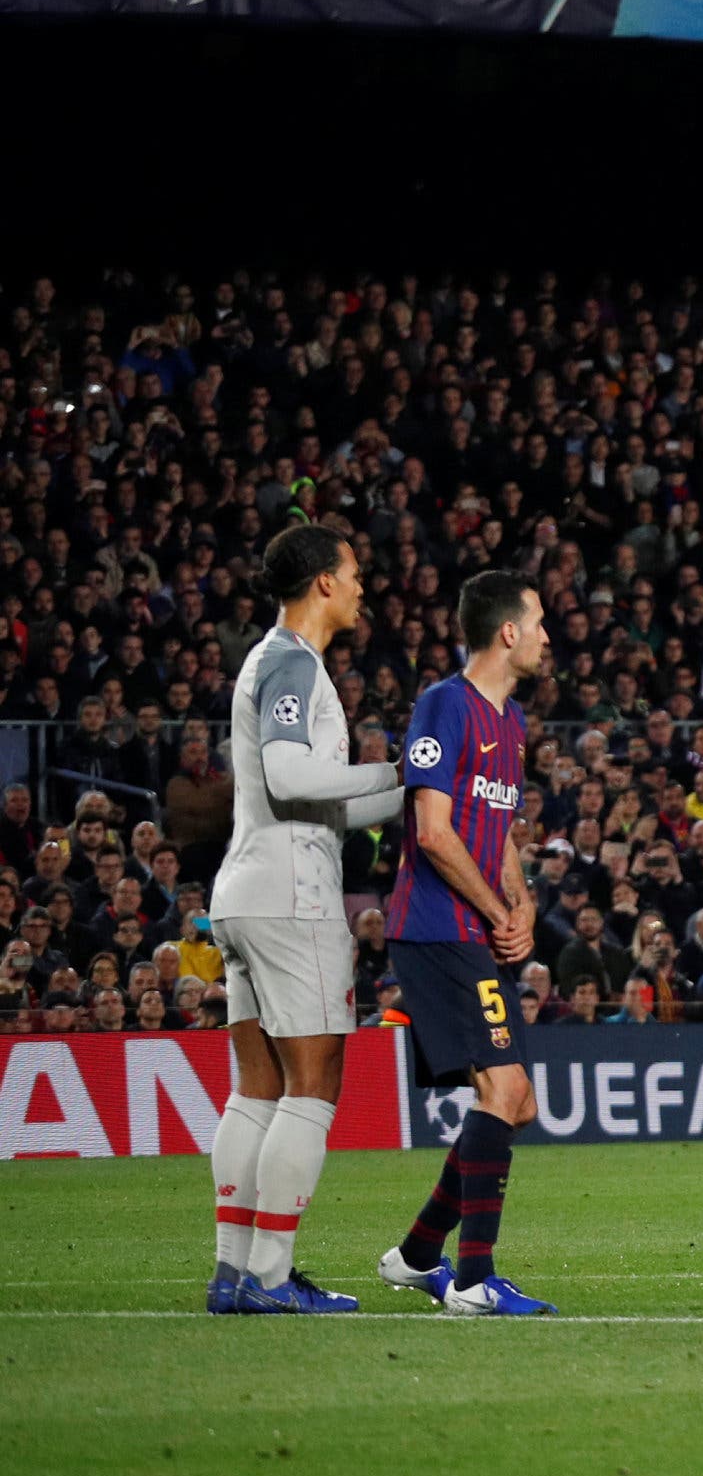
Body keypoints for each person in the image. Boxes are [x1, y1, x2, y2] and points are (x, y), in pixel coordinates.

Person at [209, 523, 408, 1314]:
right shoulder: (291, 661)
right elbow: (292, 777)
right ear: (324, 581)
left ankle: (233, 1272)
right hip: (293, 898)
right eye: (353, 573)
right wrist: (393, 769)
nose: (361, 587)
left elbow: (327, 802)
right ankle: (269, 1276)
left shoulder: (273, 661)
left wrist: (414, 792)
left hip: (246, 891)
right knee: (315, 1082)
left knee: (257, 1086)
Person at [372, 571, 556, 1317]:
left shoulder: (510, 721)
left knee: (517, 1102)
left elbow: (495, 828)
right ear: (508, 631)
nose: (546, 636)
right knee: (503, 1092)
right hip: (435, 926)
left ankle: (419, 1256)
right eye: (538, 622)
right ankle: (475, 1280)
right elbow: (433, 830)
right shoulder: (444, 704)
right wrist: (494, 909)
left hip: (475, 927)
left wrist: (522, 901)